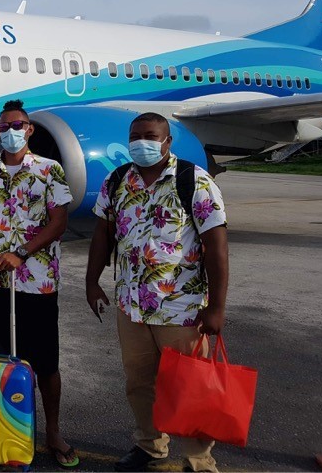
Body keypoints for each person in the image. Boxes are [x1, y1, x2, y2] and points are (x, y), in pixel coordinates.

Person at [85, 112, 229, 473]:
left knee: (189, 387)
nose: (141, 143)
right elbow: (102, 234)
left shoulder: (194, 180)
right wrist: (91, 281)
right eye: (135, 136)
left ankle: (199, 459)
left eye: (150, 136)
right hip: (130, 306)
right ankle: (150, 446)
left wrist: (216, 309)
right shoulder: (117, 180)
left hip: (181, 309)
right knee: (139, 384)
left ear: (167, 141)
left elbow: (217, 246)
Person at [0, 99, 79, 468]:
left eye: (17, 126)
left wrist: (22, 252)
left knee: (45, 362)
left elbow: (58, 221)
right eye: (3, 127)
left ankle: (52, 431)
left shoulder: (50, 170)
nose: (11, 132)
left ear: (29, 129)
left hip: (38, 283)